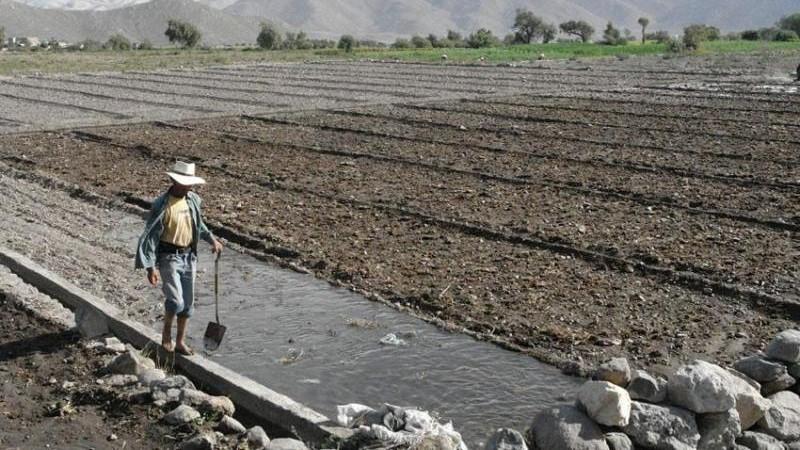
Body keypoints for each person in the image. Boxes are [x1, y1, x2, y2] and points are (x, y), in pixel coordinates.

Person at [135, 161, 223, 355]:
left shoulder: (193, 200)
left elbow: (199, 225)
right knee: (176, 301)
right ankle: (166, 335)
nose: (188, 187)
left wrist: (212, 240)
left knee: (188, 304)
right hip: (169, 257)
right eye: (185, 183)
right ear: (174, 181)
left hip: (189, 257)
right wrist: (150, 267)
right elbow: (151, 236)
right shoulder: (162, 204)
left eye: (190, 183)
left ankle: (180, 342)